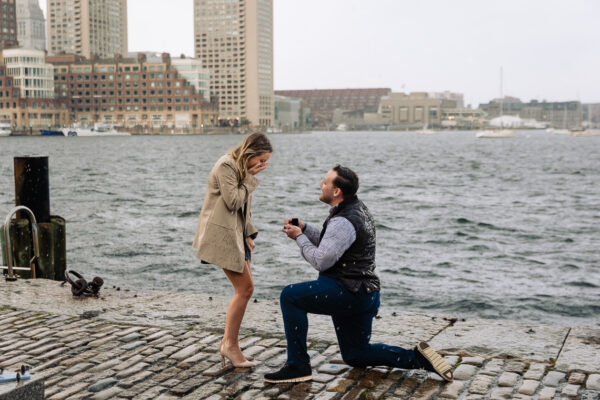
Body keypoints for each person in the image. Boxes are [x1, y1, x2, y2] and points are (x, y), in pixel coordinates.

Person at [264, 165, 453, 383]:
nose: (321, 185)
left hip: (347, 292)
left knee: (290, 296)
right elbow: (332, 243)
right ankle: (417, 359)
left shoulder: (343, 220)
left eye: (325, 182)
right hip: (364, 294)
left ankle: (297, 366)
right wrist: (305, 228)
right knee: (356, 354)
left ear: (336, 192)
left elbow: (321, 260)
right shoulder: (356, 209)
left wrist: (299, 238)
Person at [193, 132, 272, 368]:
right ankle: (229, 345)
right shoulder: (227, 165)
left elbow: (243, 209)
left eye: (265, 162)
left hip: (237, 235)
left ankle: (229, 344)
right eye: (260, 160)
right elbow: (233, 201)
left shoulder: (239, 168)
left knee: (245, 289)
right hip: (222, 236)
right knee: (245, 289)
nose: (262, 166)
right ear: (250, 152)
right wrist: (249, 178)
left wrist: (249, 232)